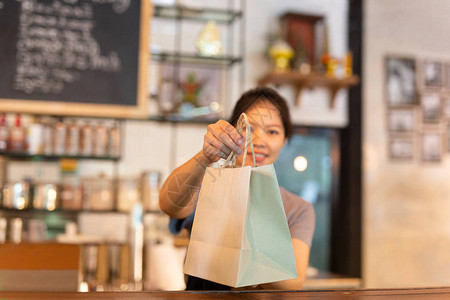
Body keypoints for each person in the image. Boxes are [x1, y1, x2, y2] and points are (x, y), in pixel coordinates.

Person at [159, 86, 315, 290]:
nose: (259, 141)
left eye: (272, 131)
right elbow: (168, 204)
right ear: (231, 131)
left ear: (284, 141)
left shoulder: (298, 208)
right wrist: (205, 156)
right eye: (249, 128)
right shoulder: (209, 187)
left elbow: (291, 282)